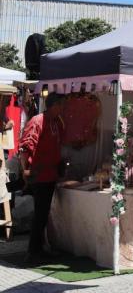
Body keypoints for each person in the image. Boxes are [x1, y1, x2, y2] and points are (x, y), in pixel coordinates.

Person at [20, 93, 65, 262]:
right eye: (61, 105)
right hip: (39, 175)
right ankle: (32, 252)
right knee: (39, 214)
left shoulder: (56, 122)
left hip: (50, 174)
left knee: (44, 214)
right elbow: (25, 147)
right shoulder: (38, 121)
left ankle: (40, 248)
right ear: (54, 105)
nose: (63, 108)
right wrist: (25, 171)